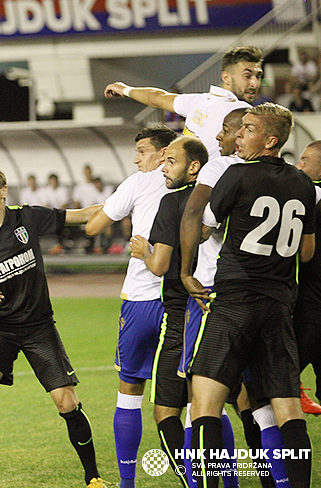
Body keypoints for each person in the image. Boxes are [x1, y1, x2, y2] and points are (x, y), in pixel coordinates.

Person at [0, 164, 107, 488]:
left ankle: (93, 478)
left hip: (38, 328)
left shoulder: (26, 218)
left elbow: (82, 215)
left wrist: (133, 200)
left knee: (66, 401)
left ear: (3, 190)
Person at [187, 104, 315, 488]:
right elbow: (305, 252)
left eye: (248, 129)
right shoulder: (303, 184)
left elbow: (203, 225)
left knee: (204, 404)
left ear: (270, 140)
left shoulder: (236, 173)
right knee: (288, 408)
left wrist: (185, 271)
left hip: (234, 300)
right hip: (278, 304)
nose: (239, 134)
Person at [180, 107, 281, 487]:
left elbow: (197, 220)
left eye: (230, 130)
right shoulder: (289, 178)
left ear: (246, 135)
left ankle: (214, 483)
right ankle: (274, 481)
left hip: (215, 296)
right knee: (262, 404)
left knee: (202, 401)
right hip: (271, 299)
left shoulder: (222, 169)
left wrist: (185, 271)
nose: (222, 138)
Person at [85, 124, 178, 488]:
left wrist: (103, 209)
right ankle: (209, 478)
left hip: (141, 299)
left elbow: (94, 226)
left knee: (129, 392)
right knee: (197, 401)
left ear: (163, 151)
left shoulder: (136, 183)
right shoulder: (198, 181)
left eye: (142, 149)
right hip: (182, 300)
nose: (136, 157)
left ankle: (127, 483)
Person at [127, 136, 210, 486]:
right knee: (230, 406)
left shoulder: (172, 201)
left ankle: (195, 482)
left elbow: (160, 265)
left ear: (193, 167)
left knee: (166, 411)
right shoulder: (221, 198)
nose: (164, 166)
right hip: (225, 311)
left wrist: (143, 251)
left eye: (171, 160)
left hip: (180, 314)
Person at [104, 45, 262, 161]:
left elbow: (156, 98)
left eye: (258, 76)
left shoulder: (199, 101)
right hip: (209, 191)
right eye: (248, 76)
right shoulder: (243, 112)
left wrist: (125, 89)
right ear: (226, 77)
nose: (255, 83)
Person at [292, 142, 321, 413]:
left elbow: (305, 255)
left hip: (311, 311)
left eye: (304, 160)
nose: (299, 166)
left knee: (277, 381)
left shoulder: (312, 195)